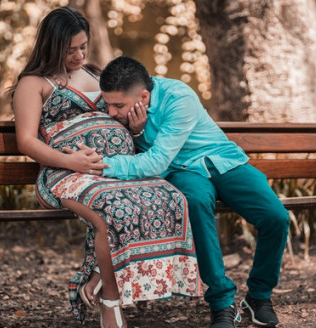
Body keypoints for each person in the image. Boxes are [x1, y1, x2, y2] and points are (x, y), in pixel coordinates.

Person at [11, 8, 202, 328]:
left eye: (83, 46)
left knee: (169, 197)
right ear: (51, 45)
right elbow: (26, 142)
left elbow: (123, 117)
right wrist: (70, 161)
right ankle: (110, 304)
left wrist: (137, 131)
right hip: (66, 172)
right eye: (70, 49)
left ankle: (99, 276)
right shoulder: (33, 83)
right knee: (111, 209)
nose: (78, 54)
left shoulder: (98, 74)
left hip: (118, 169)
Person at [99, 56, 290, 328]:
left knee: (276, 217)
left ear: (143, 95)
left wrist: (100, 164)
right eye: (108, 104)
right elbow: (152, 156)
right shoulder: (123, 109)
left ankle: (259, 296)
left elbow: (155, 161)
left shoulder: (178, 97)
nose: (111, 112)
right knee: (195, 203)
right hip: (183, 171)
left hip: (221, 160)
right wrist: (137, 133)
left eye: (118, 105)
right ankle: (222, 303)